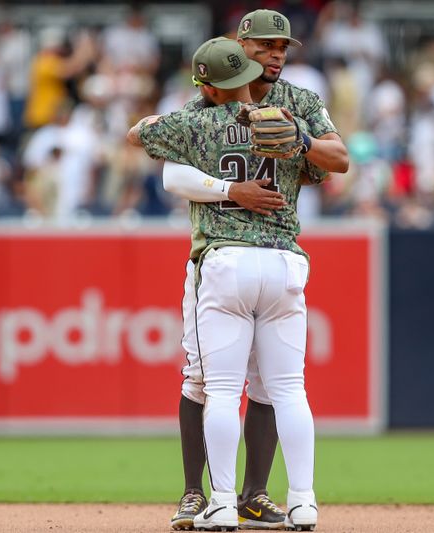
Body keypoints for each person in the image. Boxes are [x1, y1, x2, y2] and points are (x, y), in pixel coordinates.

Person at [128, 37, 327, 532]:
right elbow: (326, 165)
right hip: (283, 260)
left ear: (204, 85)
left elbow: (138, 136)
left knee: (218, 388)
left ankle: (220, 501)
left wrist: (153, 123)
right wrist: (301, 140)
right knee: (290, 389)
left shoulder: (196, 121)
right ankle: (303, 500)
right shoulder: (284, 120)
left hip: (225, 259)